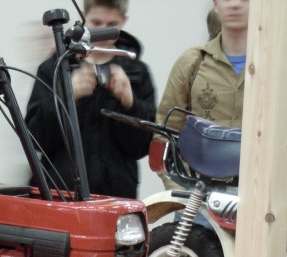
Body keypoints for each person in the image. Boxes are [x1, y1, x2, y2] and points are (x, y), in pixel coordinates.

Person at [25, 0, 156, 199]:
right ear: (84, 18)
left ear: (124, 20)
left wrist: (130, 103)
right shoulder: (55, 68)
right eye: (96, 23)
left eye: (111, 25)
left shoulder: (138, 72)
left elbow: (141, 148)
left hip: (115, 196)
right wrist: (67, 97)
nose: (103, 31)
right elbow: (35, 139)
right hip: (59, 193)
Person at [156, 0, 248, 131]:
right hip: (200, 145)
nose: (235, 4)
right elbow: (167, 129)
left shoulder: (275, 67)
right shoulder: (192, 62)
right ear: (215, 4)